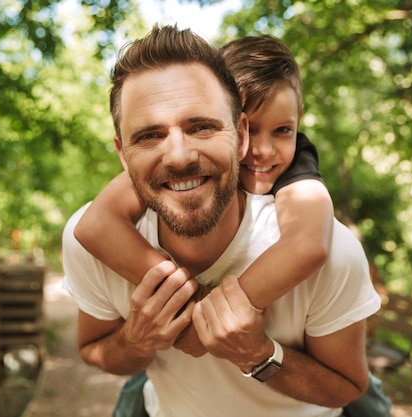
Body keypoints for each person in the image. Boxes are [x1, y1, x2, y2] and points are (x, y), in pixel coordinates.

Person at [62, 24, 381, 417]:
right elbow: (93, 228)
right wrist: (140, 336)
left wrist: (256, 350)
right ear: (123, 155)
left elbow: (309, 246)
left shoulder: (310, 204)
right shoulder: (110, 219)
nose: (178, 155)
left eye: (202, 126)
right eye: (149, 135)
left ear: (237, 132)